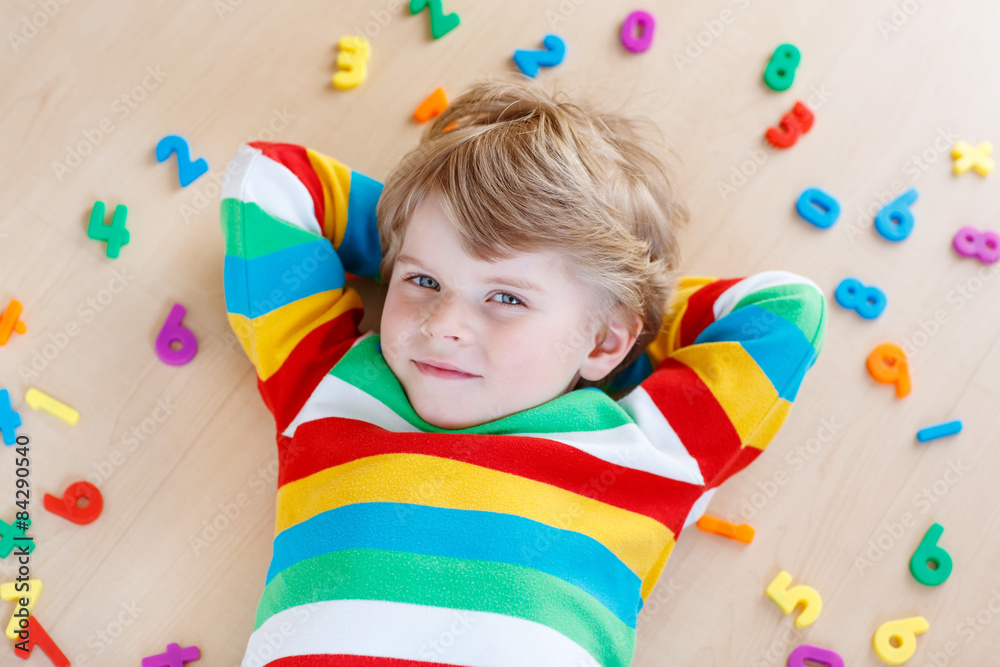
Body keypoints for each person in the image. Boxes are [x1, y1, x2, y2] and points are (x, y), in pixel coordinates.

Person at [221, 75, 827, 667]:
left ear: (607, 339)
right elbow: (272, 181)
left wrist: (615, 317)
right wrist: (423, 218)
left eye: (506, 298)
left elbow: (785, 311)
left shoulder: (648, 450)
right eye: (423, 280)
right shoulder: (330, 386)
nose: (443, 325)